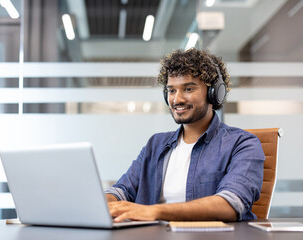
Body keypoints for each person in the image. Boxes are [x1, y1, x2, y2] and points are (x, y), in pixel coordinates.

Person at [105, 48, 265, 222]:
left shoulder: (242, 144)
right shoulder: (156, 144)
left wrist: (154, 212)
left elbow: (231, 204)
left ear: (214, 93)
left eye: (188, 89)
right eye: (171, 91)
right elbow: (121, 190)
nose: (177, 99)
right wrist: (103, 203)